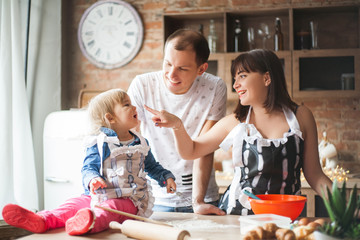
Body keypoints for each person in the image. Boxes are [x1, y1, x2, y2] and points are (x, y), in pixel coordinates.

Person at [144, 49, 333, 215]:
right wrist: (177, 125)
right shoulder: (235, 122)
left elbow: (315, 175)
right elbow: (191, 151)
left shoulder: (301, 116)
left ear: (267, 78)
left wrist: (345, 206)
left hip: (286, 217)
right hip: (237, 216)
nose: (235, 85)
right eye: (235, 78)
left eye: (242, 76)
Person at [2, 89, 176, 235]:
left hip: (130, 200)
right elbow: (88, 167)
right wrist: (93, 179)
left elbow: (152, 166)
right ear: (111, 118)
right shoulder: (99, 142)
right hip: (98, 195)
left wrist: (165, 177)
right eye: (126, 104)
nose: (134, 107)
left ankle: (89, 223)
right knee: (73, 204)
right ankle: (43, 219)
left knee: (110, 208)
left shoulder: (140, 142)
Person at [127, 29, 227, 215]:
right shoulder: (142, 85)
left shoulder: (214, 87)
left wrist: (197, 201)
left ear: (201, 69)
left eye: (182, 68)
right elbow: (131, 142)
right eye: (168, 64)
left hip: (203, 197)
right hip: (153, 198)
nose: (171, 74)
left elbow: (204, 150)